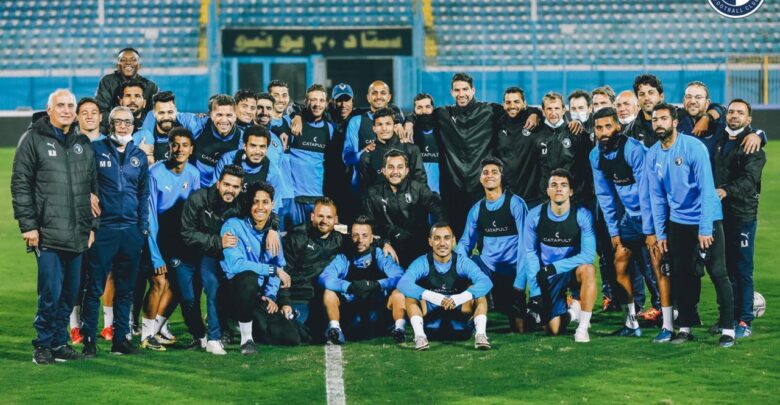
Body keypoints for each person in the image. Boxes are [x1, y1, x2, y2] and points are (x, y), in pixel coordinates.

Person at [12, 89, 98, 364]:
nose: (66, 110)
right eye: (60, 105)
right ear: (49, 110)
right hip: (47, 233)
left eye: (70, 106)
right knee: (50, 293)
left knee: (70, 294)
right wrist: (28, 226)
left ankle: (60, 343)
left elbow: (93, 189)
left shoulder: (82, 142)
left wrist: (92, 227)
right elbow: (21, 184)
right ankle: (43, 345)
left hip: (78, 233)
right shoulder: (33, 139)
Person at [645, 103, 736, 347]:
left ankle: (729, 329)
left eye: (664, 119)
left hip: (707, 218)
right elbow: (656, 198)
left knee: (718, 272)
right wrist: (661, 234)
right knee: (681, 274)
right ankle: (684, 328)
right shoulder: (652, 155)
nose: (659, 124)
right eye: (655, 120)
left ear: (674, 122)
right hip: (678, 222)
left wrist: (705, 227)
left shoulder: (693, 147)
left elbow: (706, 188)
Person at [589, 107, 672, 339]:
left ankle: (668, 323)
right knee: (620, 262)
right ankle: (631, 323)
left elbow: (647, 192)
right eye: (599, 128)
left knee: (657, 265)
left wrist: (650, 230)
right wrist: (614, 232)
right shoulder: (595, 155)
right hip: (629, 217)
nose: (603, 132)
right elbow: (605, 195)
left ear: (618, 126)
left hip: (652, 214)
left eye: (608, 126)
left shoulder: (634, 150)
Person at [81, 106, 149, 357]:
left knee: (126, 289)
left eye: (127, 122)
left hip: (130, 231)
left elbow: (143, 195)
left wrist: (142, 228)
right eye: (118, 121)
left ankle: (120, 340)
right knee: (95, 288)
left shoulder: (139, 156)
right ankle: (89, 341)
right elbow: (83, 183)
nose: (123, 125)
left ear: (133, 126)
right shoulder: (95, 149)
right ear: (110, 125)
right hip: (104, 230)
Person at [221, 182, 299, 354]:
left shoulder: (273, 234)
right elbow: (236, 265)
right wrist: (272, 270)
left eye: (265, 202)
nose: (260, 207)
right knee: (248, 278)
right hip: (232, 291)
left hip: (258, 296)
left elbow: (278, 264)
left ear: (272, 205)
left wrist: (270, 295)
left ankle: (247, 324)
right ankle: (246, 339)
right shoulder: (232, 226)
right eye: (255, 202)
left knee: (291, 338)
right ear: (249, 204)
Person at [141, 127, 202, 351]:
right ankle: (145, 335)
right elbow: (150, 216)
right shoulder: (155, 173)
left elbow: (195, 211)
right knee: (158, 282)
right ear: (169, 147)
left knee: (176, 285)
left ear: (191, 149)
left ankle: (156, 330)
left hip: (179, 240)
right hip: (155, 236)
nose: (179, 149)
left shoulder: (193, 174)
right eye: (175, 145)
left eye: (185, 145)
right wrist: (156, 256)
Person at [524, 169, 597, 343]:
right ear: (548, 190)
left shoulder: (582, 215)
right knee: (553, 329)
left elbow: (588, 255)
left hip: (572, 271)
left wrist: (555, 267)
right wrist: (535, 292)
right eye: (554, 185)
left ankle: (582, 328)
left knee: (588, 270)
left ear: (570, 191)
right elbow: (530, 253)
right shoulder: (534, 215)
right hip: (548, 276)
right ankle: (574, 312)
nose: (558, 189)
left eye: (564, 185)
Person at [714, 99, 766, 339]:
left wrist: (725, 190)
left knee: (742, 269)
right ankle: (728, 318)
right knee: (724, 268)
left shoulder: (754, 146)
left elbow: (748, 181)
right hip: (719, 214)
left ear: (749, 119)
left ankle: (745, 320)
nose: (734, 115)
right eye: (732, 111)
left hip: (742, 215)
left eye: (740, 113)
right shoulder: (719, 139)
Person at [457, 157, 528, 332]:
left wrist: (520, 282)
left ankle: (530, 312)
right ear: (480, 178)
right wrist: (457, 267)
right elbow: (465, 242)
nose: (489, 175)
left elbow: (526, 245)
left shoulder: (516, 204)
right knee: (468, 263)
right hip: (487, 268)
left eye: (494, 172)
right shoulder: (477, 209)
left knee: (519, 328)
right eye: (485, 173)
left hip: (511, 272)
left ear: (501, 177)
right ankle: (468, 321)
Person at [398, 222, 493, 351]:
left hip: (460, 325)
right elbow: (403, 283)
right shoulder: (422, 262)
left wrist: (458, 298)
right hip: (431, 325)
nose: (442, 243)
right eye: (437, 238)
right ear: (430, 241)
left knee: (479, 294)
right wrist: (435, 297)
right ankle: (420, 336)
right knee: (410, 296)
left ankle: (480, 335)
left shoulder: (462, 262)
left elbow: (486, 282)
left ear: (453, 240)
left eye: (447, 238)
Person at [319, 215, 405, 344]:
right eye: (355, 235)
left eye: (365, 236)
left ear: (372, 238)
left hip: (377, 312)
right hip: (352, 313)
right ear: (350, 236)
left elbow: (401, 277)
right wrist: (349, 286)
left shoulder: (380, 254)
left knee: (399, 293)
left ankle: (399, 330)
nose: (360, 240)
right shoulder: (344, 257)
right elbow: (324, 278)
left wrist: (377, 285)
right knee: (329, 293)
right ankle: (335, 331)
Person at [362, 150, 445, 267]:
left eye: (400, 167)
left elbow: (438, 209)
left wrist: (439, 234)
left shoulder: (418, 188)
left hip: (420, 247)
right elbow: (367, 225)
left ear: (406, 171)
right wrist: (383, 242)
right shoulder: (372, 193)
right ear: (384, 171)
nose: (395, 172)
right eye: (391, 167)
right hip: (389, 247)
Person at [286, 84, 335, 226]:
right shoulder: (294, 123)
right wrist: (295, 115)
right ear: (306, 102)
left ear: (326, 104)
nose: (317, 104)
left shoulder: (329, 128)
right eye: (313, 100)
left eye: (321, 100)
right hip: (295, 197)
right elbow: (289, 108)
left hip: (317, 197)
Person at [536, 92, 593, 206]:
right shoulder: (536, 135)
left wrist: (577, 194)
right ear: (543, 111)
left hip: (574, 198)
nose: (553, 113)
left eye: (557, 108)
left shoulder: (577, 133)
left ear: (563, 110)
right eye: (549, 109)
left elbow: (585, 168)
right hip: (545, 198)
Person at [494, 87, 545, 208]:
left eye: (516, 102)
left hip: (532, 197)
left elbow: (554, 119)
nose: (512, 106)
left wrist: (535, 113)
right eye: (508, 102)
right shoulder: (498, 123)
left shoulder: (535, 123)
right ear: (503, 104)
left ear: (524, 103)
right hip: (506, 196)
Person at [358, 107, 426, 191]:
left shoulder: (411, 149)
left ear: (394, 126)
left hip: (409, 199)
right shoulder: (366, 156)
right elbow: (366, 190)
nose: (384, 128)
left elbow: (421, 183)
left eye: (388, 124)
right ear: (374, 128)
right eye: (380, 124)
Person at [95, 47, 158, 134]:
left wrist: (137, 126)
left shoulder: (151, 86)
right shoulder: (107, 81)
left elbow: (155, 112)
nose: (128, 63)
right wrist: (121, 124)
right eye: (123, 60)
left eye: (133, 60)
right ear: (117, 65)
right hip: (113, 129)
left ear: (139, 65)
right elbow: (101, 110)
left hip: (142, 129)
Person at [191, 95, 242, 188]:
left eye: (229, 115)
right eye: (219, 115)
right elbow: (173, 115)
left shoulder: (242, 140)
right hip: (194, 186)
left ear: (235, 116)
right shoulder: (199, 125)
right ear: (211, 115)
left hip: (221, 190)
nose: (224, 120)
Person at [410, 93, 441, 195]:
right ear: (414, 111)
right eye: (419, 107)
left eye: (427, 107)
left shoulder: (443, 131)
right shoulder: (408, 133)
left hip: (441, 195)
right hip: (416, 195)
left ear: (433, 109)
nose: (424, 111)